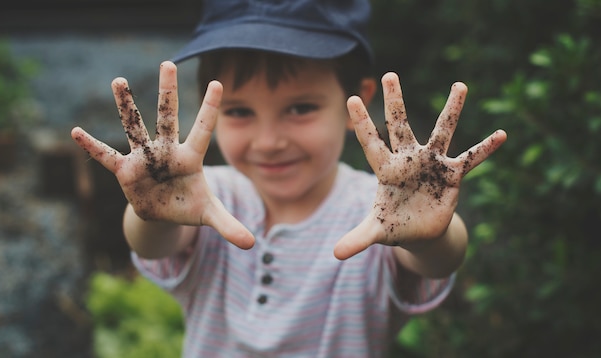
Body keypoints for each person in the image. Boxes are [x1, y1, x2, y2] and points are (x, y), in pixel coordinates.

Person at [71, 0, 507, 356]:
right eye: (240, 112)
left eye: (300, 108)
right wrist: (153, 213)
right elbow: (154, 241)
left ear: (358, 103)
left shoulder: (376, 212)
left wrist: (428, 236)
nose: (269, 141)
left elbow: (436, 259)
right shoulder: (207, 200)